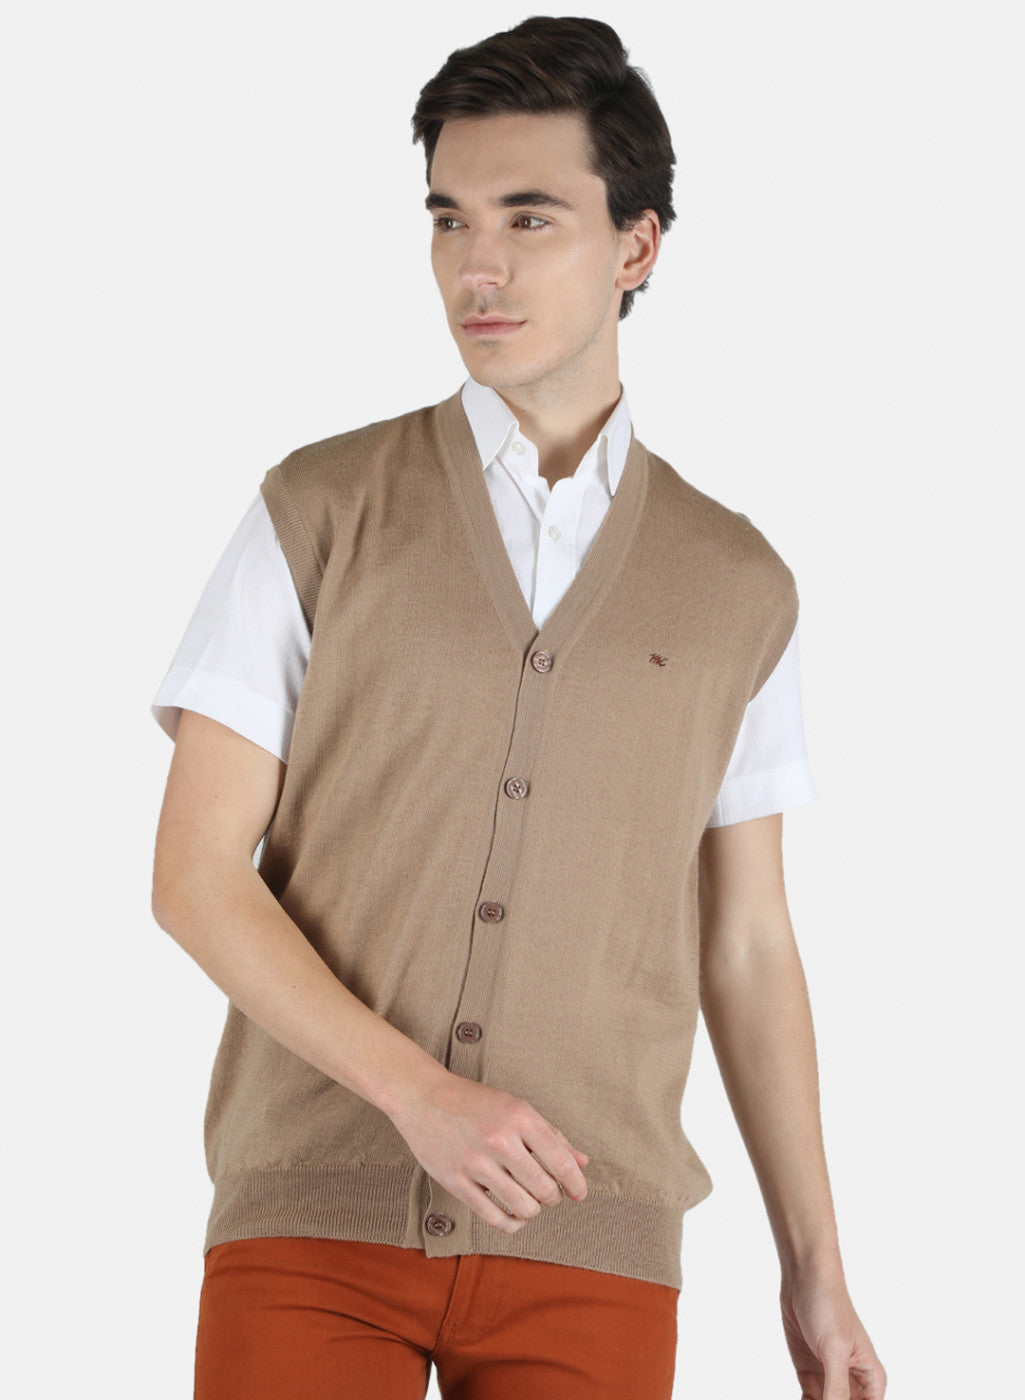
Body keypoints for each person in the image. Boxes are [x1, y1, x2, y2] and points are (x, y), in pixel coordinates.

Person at [150, 15, 886, 1400]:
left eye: (528, 219)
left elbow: (746, 945)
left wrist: (815, 1267)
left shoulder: (737, 587)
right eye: (450, 220)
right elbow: (194, 875)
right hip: (314, 1218)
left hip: (593, 1234)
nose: (474, 268)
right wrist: (419, 1097)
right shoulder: (322, 508)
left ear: (636, 247)